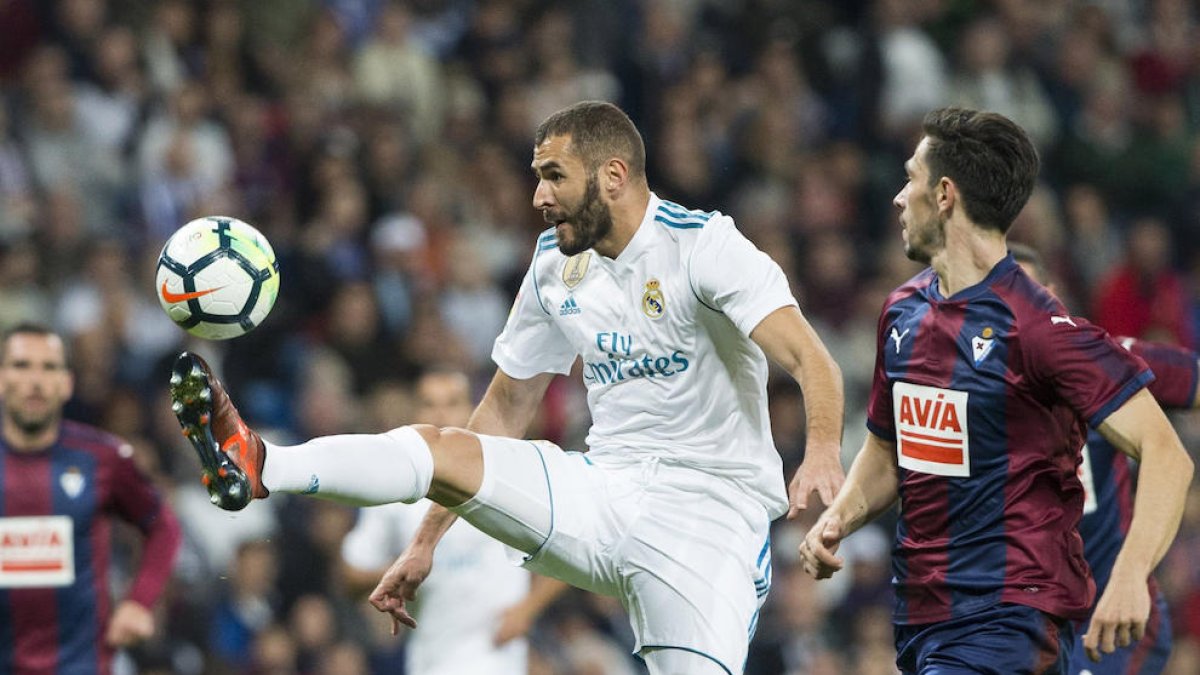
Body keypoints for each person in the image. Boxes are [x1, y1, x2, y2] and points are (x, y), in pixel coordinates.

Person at [169, 100, 846, 675]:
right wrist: (428, 537)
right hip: (604, 490)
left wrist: (819, 452)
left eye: (554, 176)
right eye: (536, 177)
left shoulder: (705, 248)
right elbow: (505, 407)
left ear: (613, 176)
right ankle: (261, 463)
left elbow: (813, 360)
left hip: (709, 519)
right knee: (442, 445)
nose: (538, 196)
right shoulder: (556, 263)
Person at [798, 107, 1193, 674]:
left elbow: (1167, 455)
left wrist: (1130, 574)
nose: (896, 197)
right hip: (921, 621)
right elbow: (888, 453)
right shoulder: (902, 311)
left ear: (944, 195)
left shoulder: (1038, 329)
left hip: (1008, 618)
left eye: (910, 178)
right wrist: (839, 518)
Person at [1010, 242, 1198, 675]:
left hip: (1109, 615)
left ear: (1052, 295)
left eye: (1025, 295)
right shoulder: (970, 388)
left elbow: (1193, 381)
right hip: (1024, 626)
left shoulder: (1105, 361)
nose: (1015, 315)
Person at [339, 368, 567, 675]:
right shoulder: (396, 490)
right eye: (430, 404)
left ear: (471, 410)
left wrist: (527, 609)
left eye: (452, 403)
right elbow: (352, 574)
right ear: (415, 412)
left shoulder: (504, 473)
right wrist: (400, 572)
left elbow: (565, 541)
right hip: (430, 660)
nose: (441, 414)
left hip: (498, 657)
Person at [0, 323, 182, 674]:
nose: (35, 381)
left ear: (67, 383)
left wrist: (138, 602)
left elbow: (163, 528)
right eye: (22, 366)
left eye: (49, 367)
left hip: (80, 664)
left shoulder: (103, 458)